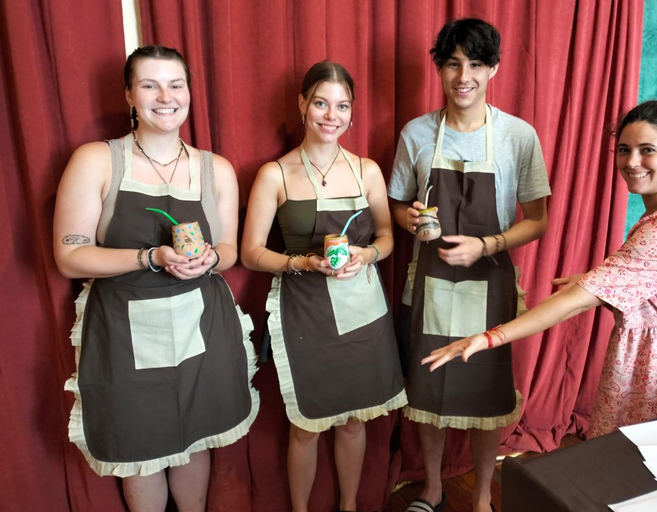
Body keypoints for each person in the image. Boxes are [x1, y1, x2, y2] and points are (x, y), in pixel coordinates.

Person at [423, 100, 657, 440]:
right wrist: (600, 281)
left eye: (647, 150)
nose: (632, 162)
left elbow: (575, 303)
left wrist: (489, 337)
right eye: (624, 149)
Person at [53, 45, 259, 511]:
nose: (165, 96)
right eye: (149, 85)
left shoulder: (216, 169)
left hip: (200, 324)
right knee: (141, 452)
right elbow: (69, 256)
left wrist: (210, 260)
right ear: (129, 95)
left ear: (189, 92)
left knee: (195, 437)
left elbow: (227, 250)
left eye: (176, 84)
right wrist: (150, 257)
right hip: (124, 332)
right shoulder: (98, 160)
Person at [388, 18, 550, 512]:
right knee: (430, 390)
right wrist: (410, 220)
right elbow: (395, 204)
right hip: (432, 287)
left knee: (487, 393)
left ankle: (481, 495)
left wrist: (487, 246)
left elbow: (538, 220)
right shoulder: (416, 133)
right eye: (453, 63)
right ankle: (434, 488)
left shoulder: (518, 136)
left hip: (491, 283)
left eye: (476, 64)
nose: (464, 76)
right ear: (438, 67)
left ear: (493, 69)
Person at [241, 60, 405, 512]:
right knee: (306, 425)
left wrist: (366, 254)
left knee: (353, 422)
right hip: (304, 309)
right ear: (302, 105)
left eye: (342, 105)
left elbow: (388, 238)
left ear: (353, 114)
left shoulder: (367, 170)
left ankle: (348, 506)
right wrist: (305, 262)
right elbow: (251, 253)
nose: (331, 115)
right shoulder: (274, 174)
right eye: (320, 103)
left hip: (361, 306)